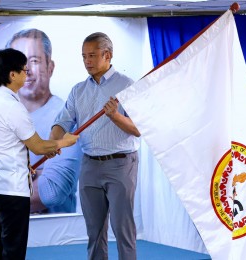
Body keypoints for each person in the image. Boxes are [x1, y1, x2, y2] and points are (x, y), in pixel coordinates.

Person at [0, 28, 82, 213]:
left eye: (34, 61)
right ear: (11, 73)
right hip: (12, 203)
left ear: (50, 67)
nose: (27, 70)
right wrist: (34, 173)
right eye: (21, 66)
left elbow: (51, 192)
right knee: (11, 242)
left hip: (48, 228)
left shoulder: (66, 117)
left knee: (3, 240)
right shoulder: (4, 106)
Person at [0, 48, 79, 259]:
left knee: (0, 247)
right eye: (24, 70)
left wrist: (25, 163)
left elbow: (4, 145)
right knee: (13, 250)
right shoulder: (12, 107)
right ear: (12, 74)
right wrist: (65, 141)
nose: (27, 75)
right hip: (11, 189)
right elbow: (38, 147)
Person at [50, 32, 140, 260]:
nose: (87, 61)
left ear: (107, 55)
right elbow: (62, 122)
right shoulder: (78, 90)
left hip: (121, 164)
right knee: (95, 232)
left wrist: (115, 116)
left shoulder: (127, 86)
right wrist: (52, 143)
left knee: (123, 230)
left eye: (92, 55)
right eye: (83, 57)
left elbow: (140, 128)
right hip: (90, 165)